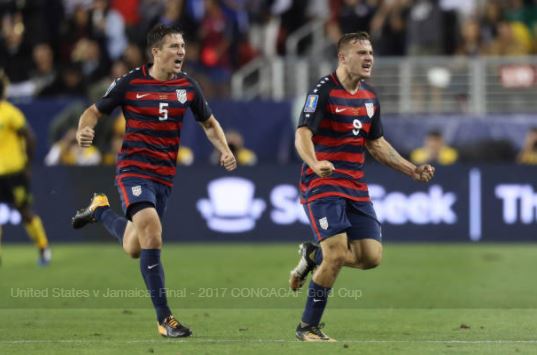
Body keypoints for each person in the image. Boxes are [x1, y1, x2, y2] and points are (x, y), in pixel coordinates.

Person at [71, 24, 237, 338]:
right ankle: (165, 319)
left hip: (164, 175)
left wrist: (225, 150)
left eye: (183, 46)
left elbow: (209, 123)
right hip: (133, 169)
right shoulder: (130, 82)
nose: (181, 52)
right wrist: (84, 130)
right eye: (174, 47)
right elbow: (93, 112)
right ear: (156, 52)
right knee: (152, 230)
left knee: (135, 245)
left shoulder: (188, 86)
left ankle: (100, 210)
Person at [288, 32, 435, 342]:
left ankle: (313, 256)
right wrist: (315, 164)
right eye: (361, 53)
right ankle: (308, 327)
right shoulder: (323, 92)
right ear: (343, 58)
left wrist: (411, 169)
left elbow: (376, 143)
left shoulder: (369, 98)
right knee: (338, 253)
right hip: (323, 183)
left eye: (370, 52)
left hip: (355, 186)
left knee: (371, 257)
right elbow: (302, 135)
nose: (368, 58)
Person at [0, 70, 51, 266]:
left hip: (14, 173)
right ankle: (43, 248)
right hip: (9, 172)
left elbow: (29, 137)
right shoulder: (10, 111)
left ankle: (43, 248)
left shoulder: (9, 112)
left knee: (24, 210)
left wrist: (26, 163)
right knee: (24, 210)